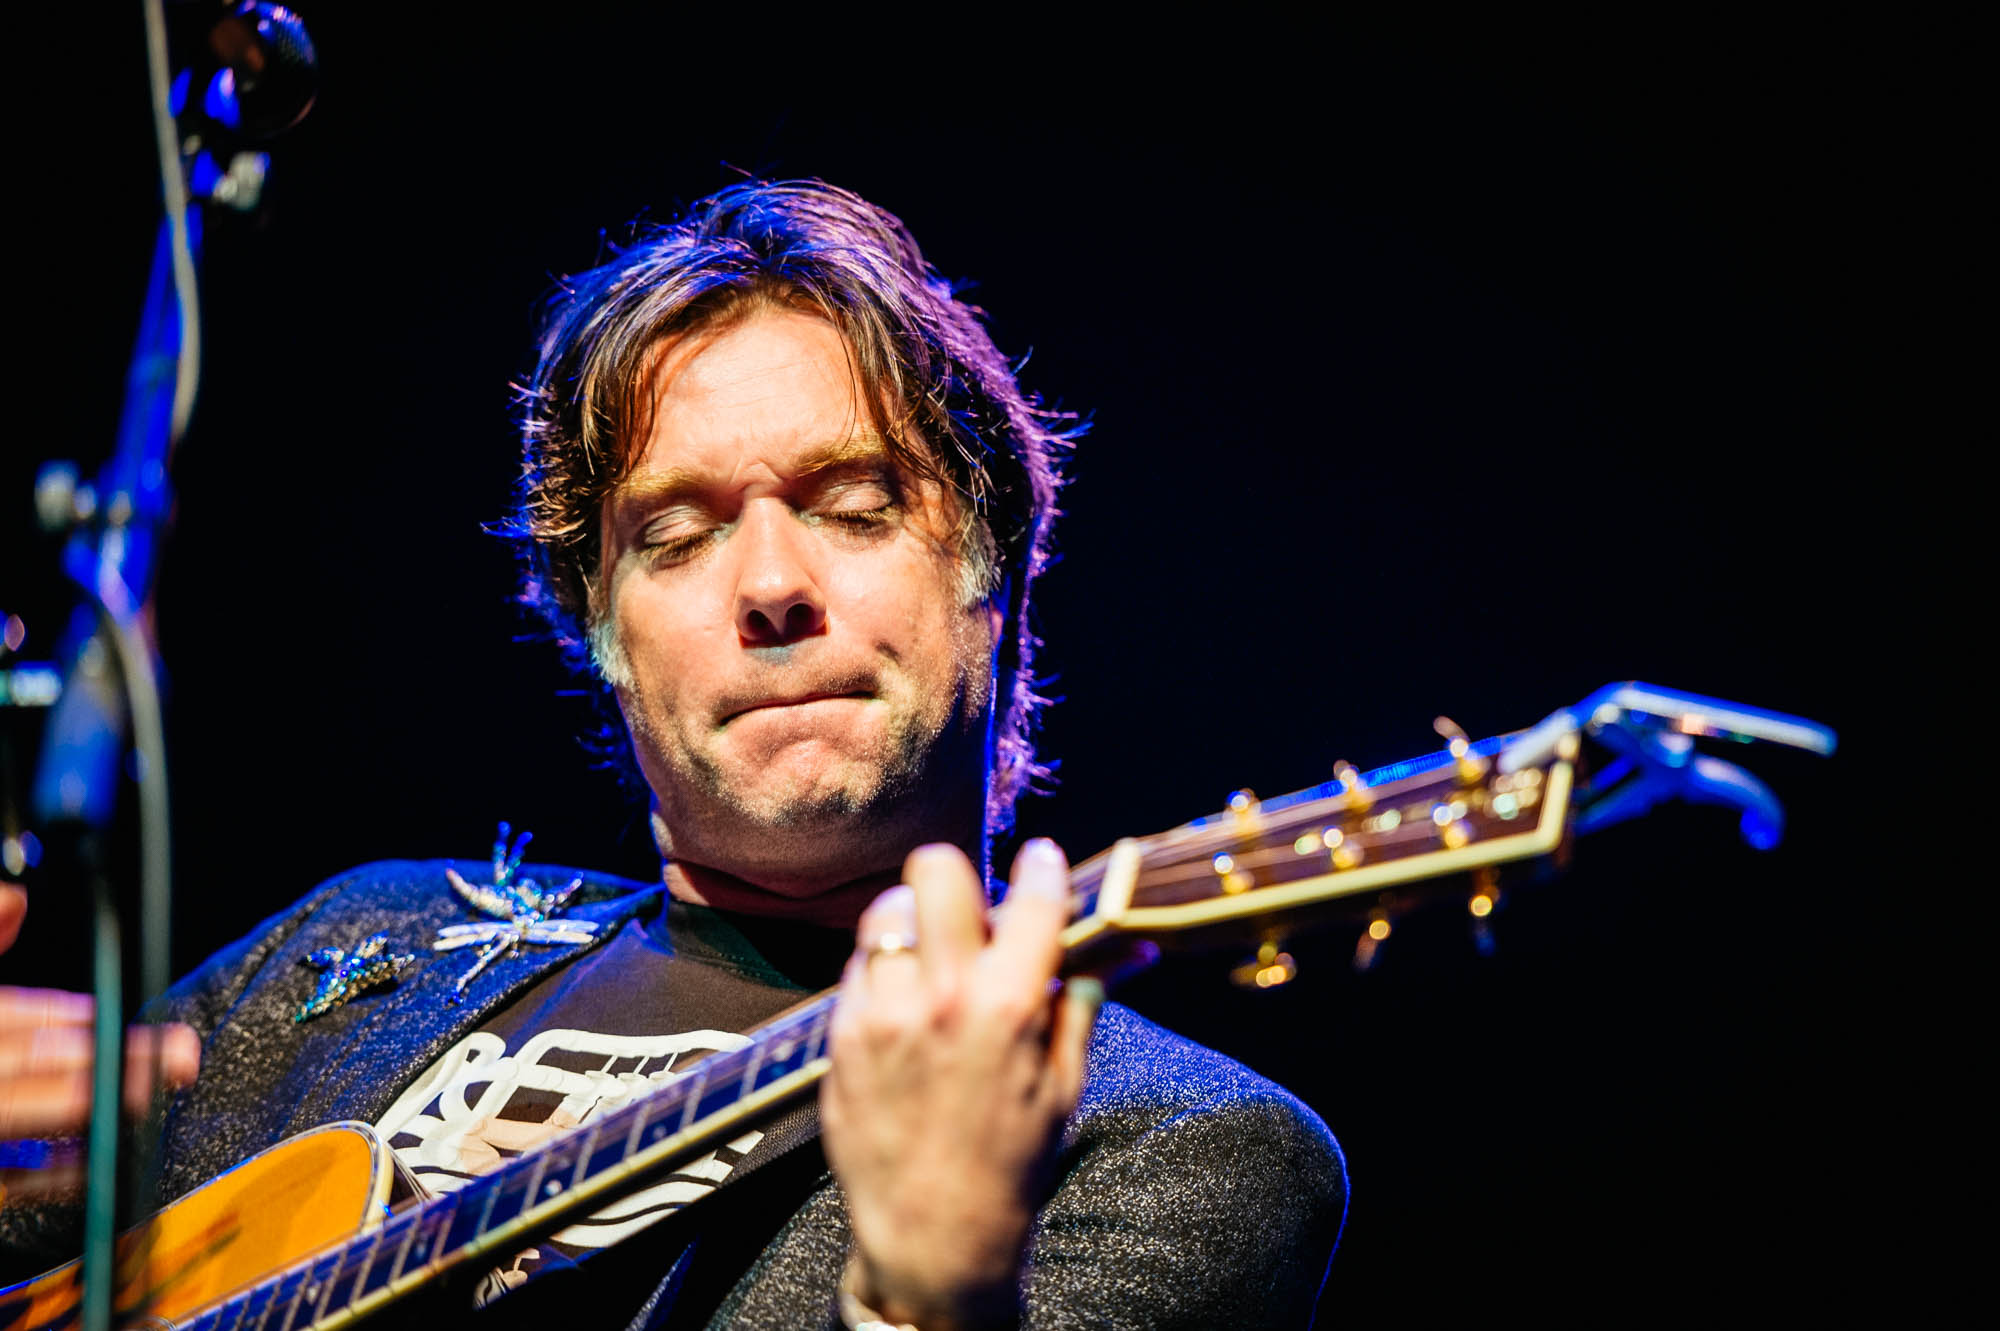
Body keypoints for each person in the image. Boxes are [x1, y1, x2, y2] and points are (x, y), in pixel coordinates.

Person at [1, 180, 1346, 1327]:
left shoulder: (1167, 1143)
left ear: (998, 566)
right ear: (600, 632)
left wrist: (926, 1308)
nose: (769, 584)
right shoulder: (361, 941)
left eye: (853, 506)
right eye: (677, 535)